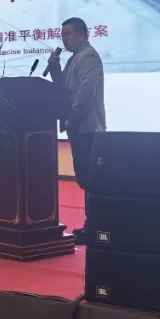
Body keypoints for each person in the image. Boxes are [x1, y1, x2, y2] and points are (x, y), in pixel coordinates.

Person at [46, 17, 106, 245]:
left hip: (88, 127)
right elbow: (65, 89)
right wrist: (54, 67)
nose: (64, 39)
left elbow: (85, 93)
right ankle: (92, 225)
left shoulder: (88, 56)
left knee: (92, 180)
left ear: (83, 34)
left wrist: (73, 119)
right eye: (62, 35)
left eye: (68, 34)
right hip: (79, 127)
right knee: (86, 179)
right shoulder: (75, 58)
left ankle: (96, 227)